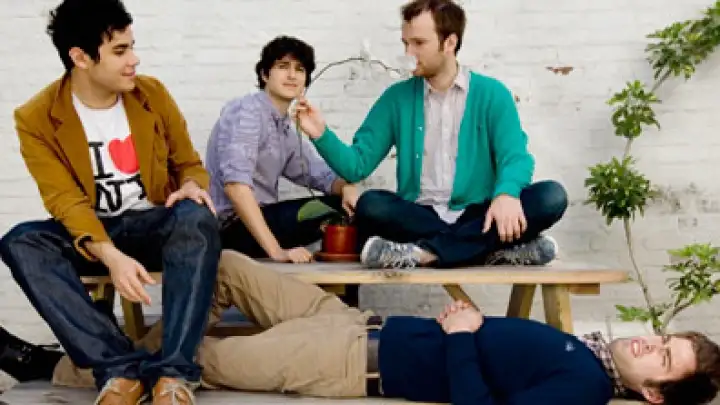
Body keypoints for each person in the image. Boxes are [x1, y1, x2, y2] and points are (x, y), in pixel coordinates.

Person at [46, 251, 720, 405]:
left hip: (343, 362)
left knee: (198, 358)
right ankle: (105, 353)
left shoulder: (583, 388)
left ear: (654, 394)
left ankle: (54, 364)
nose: (650, 344)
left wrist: (462, 338)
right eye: (665, 339)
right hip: (348, 319)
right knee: (222, 268)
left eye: (663, 360)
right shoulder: (589, 352)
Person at [0, 0, 221, 404]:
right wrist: (109, 254)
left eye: (132, 46)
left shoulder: (152, 95)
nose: (134, 60)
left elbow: (188, 163)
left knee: (197, 216)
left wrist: (191, 185)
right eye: (120, 51)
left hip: (153, 224)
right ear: (81, 57)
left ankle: (174, 373)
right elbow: (65, 201)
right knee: (21, 241)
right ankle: (120, 369)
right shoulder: (36, 118)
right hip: (92, 234)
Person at [293, 0, 568, 269]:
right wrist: (321, 133)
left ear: (450, 43)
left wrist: (506, 195)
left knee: (551, 196)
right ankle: (487, 249)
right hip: (421, 216)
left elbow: (515, 157)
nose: (409, 53)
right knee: (371, 205)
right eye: (405, 43)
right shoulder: (396, 98)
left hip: (479, 212)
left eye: (419, 43)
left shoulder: (492, 94)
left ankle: (424, 254)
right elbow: (357, 166)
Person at [205, 35, 358, 264]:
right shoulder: (247, 112)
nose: (292, 75)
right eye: (283, 66)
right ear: (265, 74)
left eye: (300, 69)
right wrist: (277, 252)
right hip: (230, 228)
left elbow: (320, 175)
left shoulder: (284, 127)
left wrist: (347, 188)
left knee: (350, 207)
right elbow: (236, 187)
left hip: (261, 222)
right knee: (335, 210)